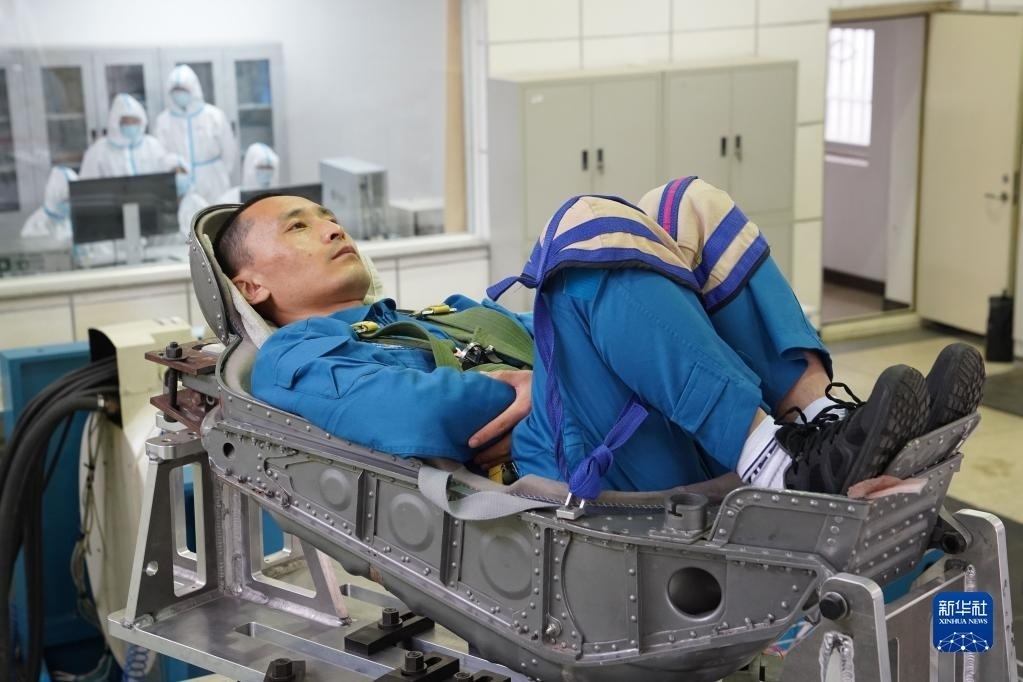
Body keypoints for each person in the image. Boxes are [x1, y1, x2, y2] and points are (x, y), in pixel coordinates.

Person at [215, 192, 984, 500]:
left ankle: (812, 424)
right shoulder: (296, 354)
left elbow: (601, 353)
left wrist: (546, 375)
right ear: (252, 284)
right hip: (557, 477)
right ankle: (778, 466)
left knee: (686, 205)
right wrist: (530, 386)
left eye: (325, 216)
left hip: (631, 432)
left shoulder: (447, 312)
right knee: (580, 245)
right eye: (298, 227)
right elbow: (418, 417)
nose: (330, 227)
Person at [154, 65, 237, 203]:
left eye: (183, 89)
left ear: (193, 89)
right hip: (180, 183)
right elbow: (161, 155)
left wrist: (219, 174)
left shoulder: (213, 115)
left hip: (213, 180)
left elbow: (229, 151)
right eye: (176, 90)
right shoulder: (163, 121)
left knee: (216, 214)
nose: (179, 94)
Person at [79, 94, 167, 179]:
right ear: (115, 123)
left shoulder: (152, 145)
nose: (130, 125)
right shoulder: (99, 150)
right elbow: (87, 182)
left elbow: (165, 171)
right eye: (125, 121)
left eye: (134, 121)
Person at [21, 166, 78, 241]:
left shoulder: (73, 222)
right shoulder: (36, 225)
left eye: (71, 200)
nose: (69, 205)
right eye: (66, 201)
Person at [216, 143, 280, 204]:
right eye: (261, 167)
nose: (265, 172)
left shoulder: (279, 200)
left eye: (269, 168)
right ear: (249, 167)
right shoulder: (228, 200)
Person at [163, 154, 209, 237]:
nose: (177, 177)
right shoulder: (165, 207)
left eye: (181, 172)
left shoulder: (196, 203)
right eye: (173, 172)